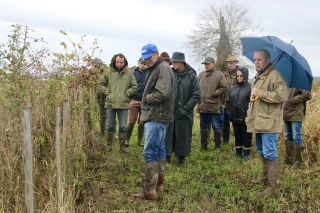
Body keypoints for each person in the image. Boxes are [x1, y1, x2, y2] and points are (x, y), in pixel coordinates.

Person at [133, 44, 174, 200]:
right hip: (158, 116)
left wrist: (147, 99)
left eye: (149, 57)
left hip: (156, 115)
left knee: (150, 152)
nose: (147, 61)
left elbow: (163, 92)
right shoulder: (158, 67)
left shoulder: (162, 68)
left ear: (156, 54)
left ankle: (150, 191)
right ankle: (158, 186)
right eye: (145, 58)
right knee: (159, 151)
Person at [247, 49, 288, 198]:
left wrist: (261, 93)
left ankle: (273, 187)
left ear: (268, 60)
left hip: (269, 123)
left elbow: (283, 95)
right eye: (255, 59)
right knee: (261, 150)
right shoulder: (260, 76)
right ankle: (265, 178)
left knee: (270, 152)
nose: (256, 62)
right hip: (259, 121)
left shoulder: (275, 76)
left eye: (259, 59)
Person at [164, 52, 200, 165]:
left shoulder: (191, 76)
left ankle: (181, 158)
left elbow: (197, 94)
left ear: (181, 62)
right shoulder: (170, 73)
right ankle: (167, 157)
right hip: (170, 110)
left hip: (185, 111)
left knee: (183, 135)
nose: (173, 64)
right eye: (172, 62)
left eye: (175, 62)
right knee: (168, 134)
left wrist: (186, 108)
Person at [98, 53, 137, 153]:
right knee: (110, 125)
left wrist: (126, 94)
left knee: (123, 126)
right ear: (114, 61)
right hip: (110, 103)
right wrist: (108, 93)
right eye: (118, 62)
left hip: (123, 104)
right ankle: (109, 146)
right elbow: (101, 84)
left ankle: (122, 147)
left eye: (121, 62)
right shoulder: (108, 72)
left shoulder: (129, 73)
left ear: (124, 62)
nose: (120, 64)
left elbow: (134, 86)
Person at [197, 57, 228, 152]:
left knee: (216, 126)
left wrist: (215, 93)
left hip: (214, 106)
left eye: (208, 64)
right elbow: (196, 88)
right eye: (205, 64)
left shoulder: (220, 75)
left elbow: (224, 88)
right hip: (202, 105)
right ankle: (203, 146)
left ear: (213, 64)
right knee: (203, 126)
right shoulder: (201, 75)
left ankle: (217, 147)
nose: (206, 65)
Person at [222, 54, 249, 144]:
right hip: (225, 102)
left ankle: (241, 142)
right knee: (225, 123)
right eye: (228, 63)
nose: (230, 65)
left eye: (232, 63)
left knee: (237, 124)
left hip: (237, 104)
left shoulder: (240, 73)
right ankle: (225, 141)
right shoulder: (224, 74)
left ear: (236, 63)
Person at [226, 67, 252, 161]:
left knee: (246, 136)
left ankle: (246, 154)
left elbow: (252, 103)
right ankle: (238, 153)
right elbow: (228, 101)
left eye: (241, 76)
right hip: (234, 116)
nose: (239, 77)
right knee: (237, 136)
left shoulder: (250, 87)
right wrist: (229, 112)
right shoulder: (233, 88)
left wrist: (249, 115)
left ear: (245, 76)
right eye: (238, 76)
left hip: (245, 117)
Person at [283, 88, 311, 169]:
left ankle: (297, 161)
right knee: (288, 135)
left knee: (296, 136)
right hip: (285, 113)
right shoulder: (285, 82)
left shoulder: (299, 82)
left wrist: (293, 99)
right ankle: (288, 158)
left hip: (296, 113)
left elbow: (308, 95)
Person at [125, 59, 147, 147]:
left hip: (145, 101)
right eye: (141, 63)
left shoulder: (149, 73)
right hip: (134, 100)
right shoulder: (133, 73)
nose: (143, 65)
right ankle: (126, 139)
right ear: (138, 63)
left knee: (142, 122)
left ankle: (140, 140)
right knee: (131, 121)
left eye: (145, 64)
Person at [93, 58, 108, 137]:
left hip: (108, 98)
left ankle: (113, 132)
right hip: (100, 99)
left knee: (110, 116)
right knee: (102, 116)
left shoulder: (107, 74)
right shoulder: (94, 75)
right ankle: (102, 132)